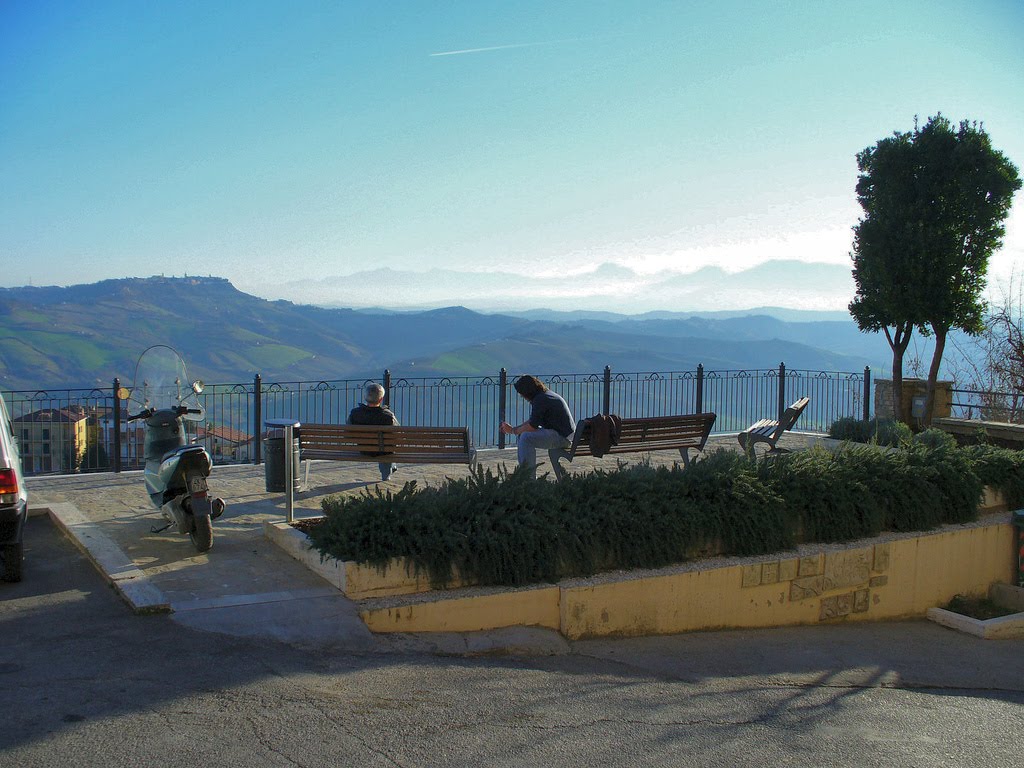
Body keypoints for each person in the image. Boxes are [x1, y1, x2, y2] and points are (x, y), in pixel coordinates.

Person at [499, 375, 576, 479]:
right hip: (564, 435)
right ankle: (524, 471)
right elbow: (533, 421)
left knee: (526, 438)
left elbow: (532, 426)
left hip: (562, 438)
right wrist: (515, 429)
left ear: (527, 391)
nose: (522, 396)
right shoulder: (545, 395)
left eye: (521, 394)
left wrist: (512, 430)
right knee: (523, 435)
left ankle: (528, 478)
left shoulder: (540, 399)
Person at [347, 382, 399, 481]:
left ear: (365, 397)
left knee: (385, 445)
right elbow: (398, 435)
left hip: (363, 449)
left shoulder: (355, 413)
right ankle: (386, 474)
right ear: (381, 399)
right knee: (387, 446)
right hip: (382, 451)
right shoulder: (388, 416)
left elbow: (348, 432)